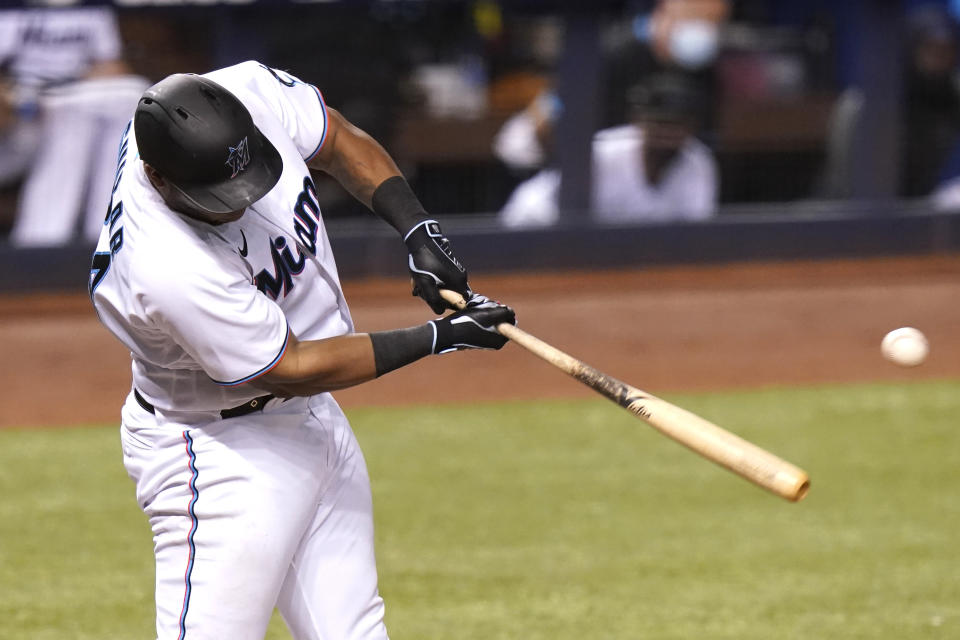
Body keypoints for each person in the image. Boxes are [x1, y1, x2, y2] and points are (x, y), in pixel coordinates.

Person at [89, 61, 516, 640]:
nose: (239, 203)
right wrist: (439, 337)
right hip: (220, 454)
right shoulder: (161, 264)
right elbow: (289, 368)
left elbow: (337, 139)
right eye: (219, 197)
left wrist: (417, 230)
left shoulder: (243, 89)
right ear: (159, 179)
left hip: (314, 419)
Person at [0, 6, 147, 246]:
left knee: (128, 97)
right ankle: (42, 241)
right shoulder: (13, 8)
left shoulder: (91, 8)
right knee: (70, 116)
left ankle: (103, 235)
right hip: (20, 117)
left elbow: (113, 66)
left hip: (71, 101)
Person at [499, 72, 717, 227]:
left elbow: (695, 232)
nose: (666, 133)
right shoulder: (605, 153)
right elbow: (548, 210)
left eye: (676, 125)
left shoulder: (698, 163)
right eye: (659, 123)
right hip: (534, 223)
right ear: (638, 120)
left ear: (692, 127)